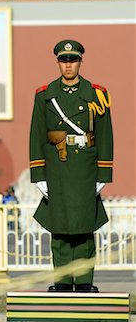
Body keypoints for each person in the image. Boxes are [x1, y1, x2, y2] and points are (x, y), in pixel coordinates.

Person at [30, 39, 113, 293]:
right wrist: (38, 174)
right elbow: (37, 134)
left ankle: (85, 281)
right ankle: (63, 281)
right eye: (64, 61)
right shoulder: (45, 95)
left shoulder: (96, 94)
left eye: (73, 60)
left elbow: (105, 135)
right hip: (57, 165)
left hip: (85, 167)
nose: (68, 65)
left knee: (84, 226)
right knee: (61, 226)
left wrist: (103, 173)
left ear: (80, 62)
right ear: (58, 63)